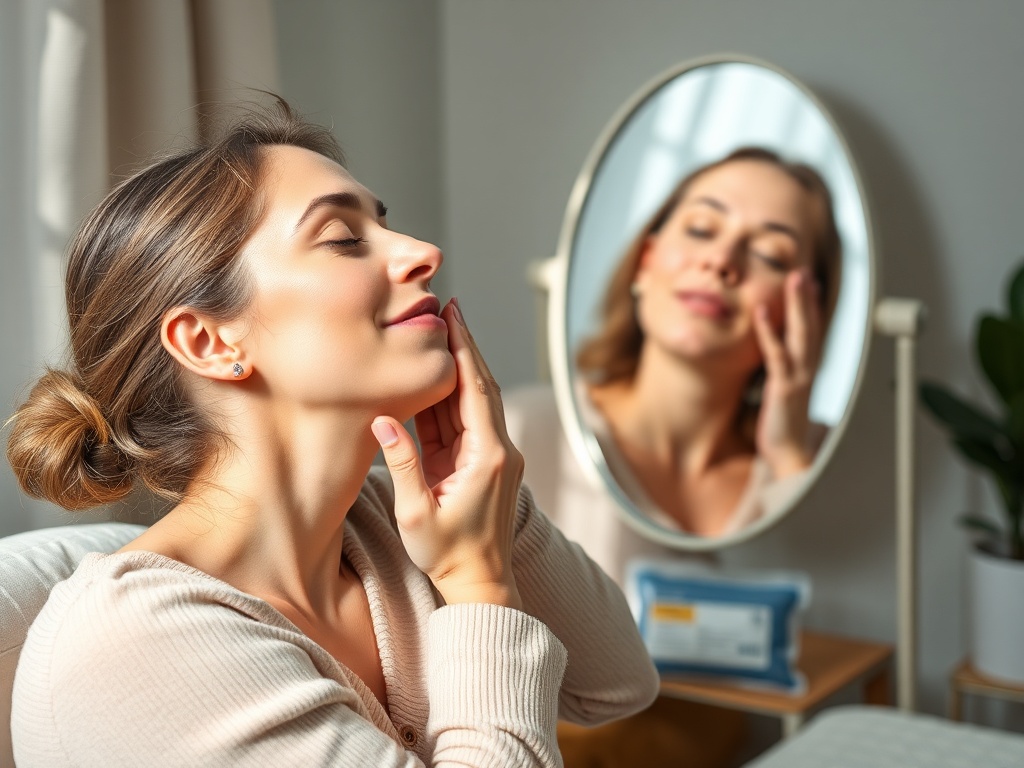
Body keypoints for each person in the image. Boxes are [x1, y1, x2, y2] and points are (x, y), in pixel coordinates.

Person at [6, 99, 659, 767]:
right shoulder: (133, 644)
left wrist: (495, 500)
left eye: (385, 225)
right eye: (343, 239)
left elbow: (617, 684)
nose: (424, 253)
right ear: (207, 339)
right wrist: (477, 579)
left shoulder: (393, 521)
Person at [504, 147, 842, 767]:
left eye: (769, 253)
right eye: (702, 229)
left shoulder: (818, 464)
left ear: (808, 310)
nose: (721, 260)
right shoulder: (522, 431)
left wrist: (788, 453)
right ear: (647, 261)